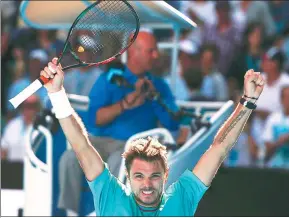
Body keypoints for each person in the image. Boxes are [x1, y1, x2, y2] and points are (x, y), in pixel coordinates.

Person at [40, 54, 264, 216]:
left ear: (166, 176)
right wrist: (56, 93)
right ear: (127, 175)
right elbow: (81, 146)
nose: (147, 184)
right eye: (139, 176)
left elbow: (219, 148)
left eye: (154, 176)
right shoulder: (110, 195)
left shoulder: (181, 198)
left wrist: (247, 102)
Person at [57, 31, 189, 215]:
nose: (156, 55)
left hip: (133, 145)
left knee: (116, 162)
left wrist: (155, 98)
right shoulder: (111, 78)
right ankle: (71, 214)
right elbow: (95, 118)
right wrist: (126, 103)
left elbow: (173, 123)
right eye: (151, 51)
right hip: (100, 141)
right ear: (135, 52)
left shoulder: (158, 85)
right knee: (69, 159)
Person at [262, 85, 289, 169]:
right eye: (286, 97)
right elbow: (267, 147)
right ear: (281, 100)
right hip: (275, 168)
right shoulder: (273, 119)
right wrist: (280, 142)